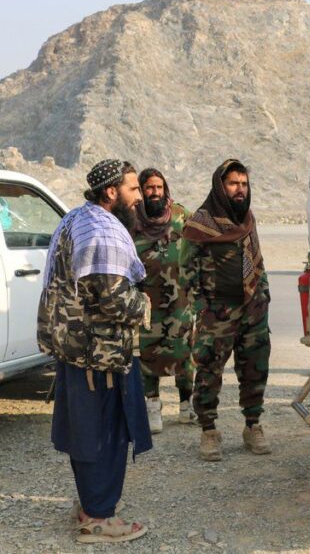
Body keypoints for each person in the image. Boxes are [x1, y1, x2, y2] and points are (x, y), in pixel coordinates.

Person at [37, 159, 152, 543]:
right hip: (99, 356)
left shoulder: (77, 219)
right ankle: (99, 518)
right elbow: (114, 299)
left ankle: (91, 505)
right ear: (110, 192)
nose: (138, 197)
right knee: (104, 434)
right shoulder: (102, 231)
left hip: (78, 351)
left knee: (86, 430)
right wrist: (144, 304)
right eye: (133, 189)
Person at [183, 159, 271, 461]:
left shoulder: (248, 219)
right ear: (220, 187)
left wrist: (264, 293)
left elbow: (257, 258)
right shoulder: (200, 224)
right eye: (233, 183)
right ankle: (209, 430)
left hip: (253, 309)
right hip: (217, 313)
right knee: (209, 370)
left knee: (255, 367)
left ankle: (253, 425)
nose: (240, 189)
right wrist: (202, 308)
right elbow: (187, 271)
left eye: (244, 184)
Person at [132, 168, 197, 433]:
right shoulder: (132, 221)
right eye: (149, 187)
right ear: (141, 190)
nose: (155, 192)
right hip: (148, 301)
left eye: (159, 187)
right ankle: (153, 406)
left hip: (180, 299)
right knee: (148, 353)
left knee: (184, 351)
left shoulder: (180, 215)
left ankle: (186, 405)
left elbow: (199, 242)